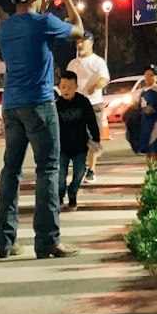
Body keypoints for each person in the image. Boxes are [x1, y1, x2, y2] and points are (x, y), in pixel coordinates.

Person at [0, 0, 84, 259]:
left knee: (11, 171)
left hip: (11, 106)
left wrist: (41, 8)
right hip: (40, 104)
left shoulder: (5, 28)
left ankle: (5, 241)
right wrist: (68, 0)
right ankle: (47, 240)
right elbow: (78, 31)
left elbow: (29, 31)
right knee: (47, 169)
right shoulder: (45, 24)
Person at [66, 31, 109, 185]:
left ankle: (91, 170)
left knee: (92, 139)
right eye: (78, 41)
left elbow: (105, 79)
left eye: (83, 41)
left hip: (92, 104)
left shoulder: (97, 62)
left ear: (91, 43)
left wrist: (96, 86)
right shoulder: (72, 63)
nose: (80, 44)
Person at [55, 69, 100, 210]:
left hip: (80, 146)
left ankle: (73, 193)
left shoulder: (83, 102)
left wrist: (96, 138)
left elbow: (92, 121)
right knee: (60, 176)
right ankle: (59, 196)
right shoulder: (56, 105)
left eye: (69, 87)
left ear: (76, 86)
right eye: (63, 87)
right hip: (62, 147)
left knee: (80, 172)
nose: (66, 90)